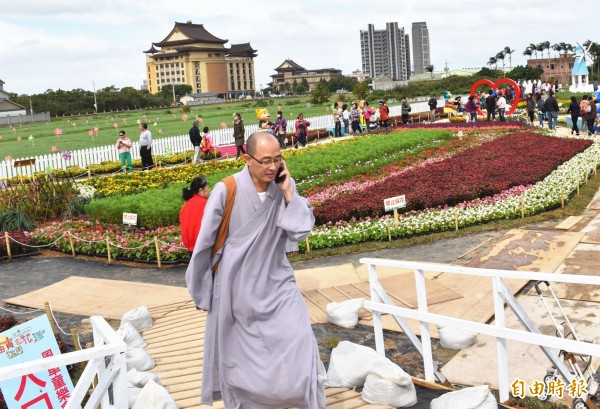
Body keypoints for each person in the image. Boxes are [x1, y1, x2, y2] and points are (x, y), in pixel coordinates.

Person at [185, 132, 326, 408]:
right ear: (247, 159)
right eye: (264, 161)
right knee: (241, 363)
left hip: (278, 284)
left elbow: (300, 232)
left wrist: (288, 193)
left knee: (300, 341)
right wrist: (203, 292)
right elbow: (204, 246)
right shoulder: (226, 190)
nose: (272, 167)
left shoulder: (283, 186)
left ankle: (305, 399)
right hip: (237, 290)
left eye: (277, 159)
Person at [179, 176, 210, 255]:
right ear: (201, 190)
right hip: (204, 247)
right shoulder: (206, 203)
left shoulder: (185, 205)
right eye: (207, 187)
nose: (209, 190)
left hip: (191, 249)